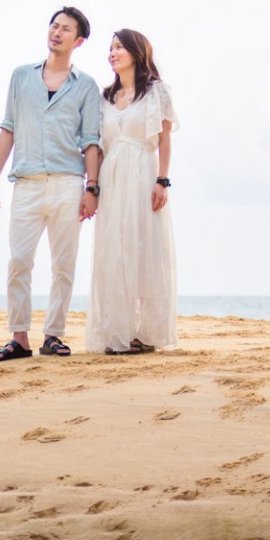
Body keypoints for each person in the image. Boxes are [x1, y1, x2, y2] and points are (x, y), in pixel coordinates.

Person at [0, 6, 102, 363]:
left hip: (69, 183)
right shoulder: (21, 77)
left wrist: (92, 187)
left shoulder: (86, 86)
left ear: (78, 40)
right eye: (54, 26)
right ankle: (19, 337)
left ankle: (54, 334)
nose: (57, 32)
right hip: (27, 182)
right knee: (19, 261)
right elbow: (9, 126)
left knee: (63, 265)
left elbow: (91, 140)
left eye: (66, 29)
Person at [86, 29, 179, 356]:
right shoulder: (104, 97)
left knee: (145, 248)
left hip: (143, 172)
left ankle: (145, 332)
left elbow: (165, 138)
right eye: (110, 48)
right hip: (112, 176)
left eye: (119, 47)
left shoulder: (156, 92)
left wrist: (162, 180)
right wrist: (93, 186)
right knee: (115, 249)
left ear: (137, 52)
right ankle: (118, 332)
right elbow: (96, 144)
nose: (112, 53)